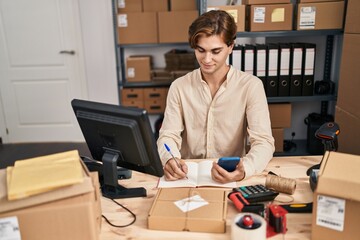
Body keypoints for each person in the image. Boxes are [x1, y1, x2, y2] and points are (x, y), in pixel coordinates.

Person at [157, 10, 275, 183]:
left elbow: (264, 142)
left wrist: (245, 170)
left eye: (215, 51)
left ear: (231, 47)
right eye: (201, 50)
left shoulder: (250, 86)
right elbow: (168, 136)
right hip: (188, 176)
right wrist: (169, 159)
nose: (207, 59)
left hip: (231, 175)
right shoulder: (179, 87)